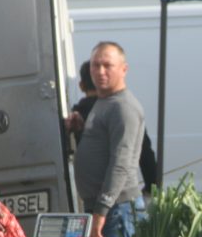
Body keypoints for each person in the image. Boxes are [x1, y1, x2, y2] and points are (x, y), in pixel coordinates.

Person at [73, 42, 145, 237]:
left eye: (108, 65)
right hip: (106, 209)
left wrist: (101, 211)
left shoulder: (123, 107)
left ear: (124, 69)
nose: (100, 71)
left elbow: (121, 163)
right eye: (96, 65)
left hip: (117, 210)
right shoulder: (105, 102)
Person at [68, 59, 159, 196]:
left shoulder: (75, 118)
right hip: (124, 193)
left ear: (81, 86)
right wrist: (152, 188)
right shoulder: (126, 110)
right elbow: (145, 153)